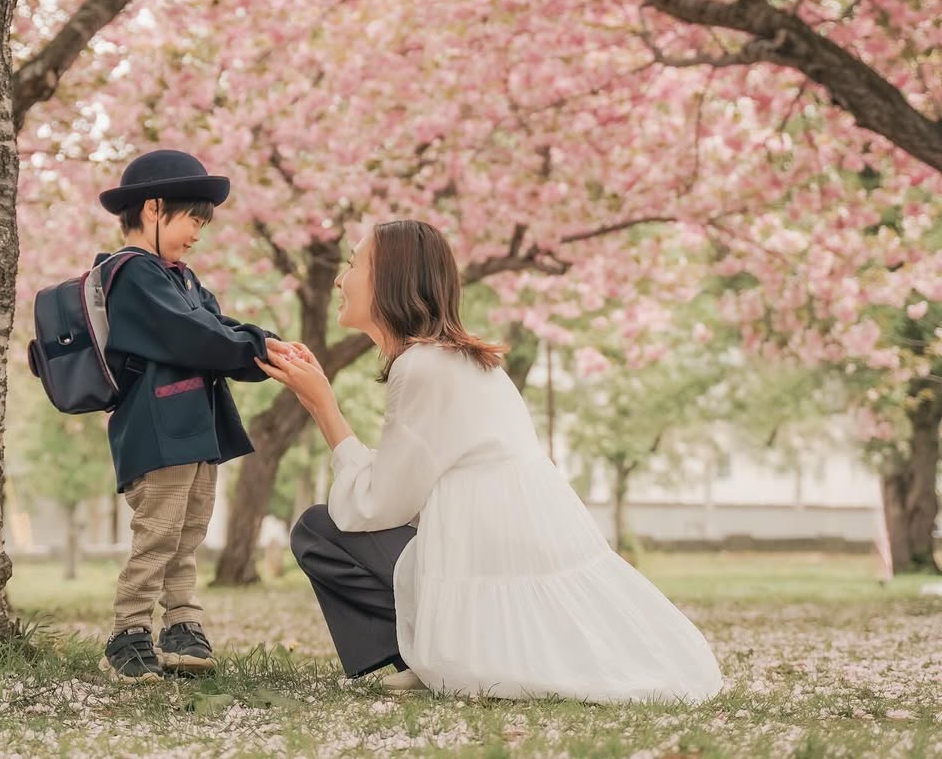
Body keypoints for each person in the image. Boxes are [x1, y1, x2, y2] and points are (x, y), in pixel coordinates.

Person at [258, 219, 723, 702]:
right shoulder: (458, 360)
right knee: (331, 523)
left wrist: (324, 407)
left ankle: (428, 656)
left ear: (389, 278)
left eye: (354, 264)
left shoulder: (422, 367)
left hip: (480, 553)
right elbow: (408, 485)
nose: (339, 278)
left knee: (318, 529)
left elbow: (377, 507)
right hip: (505, 547)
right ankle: (427, 654)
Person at [96, 149, 279, 683]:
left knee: (188, 532)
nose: (198, 232)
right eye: (192, 219)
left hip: (193, 428)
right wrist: (260, 347)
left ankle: (181, 626)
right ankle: (127, 633)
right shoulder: (133, 275)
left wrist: (261, 345)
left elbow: (217, 326)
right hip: (155, 431)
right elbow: (195, 336)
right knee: (158, 533)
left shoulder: (179, 277)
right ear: (154, 208)